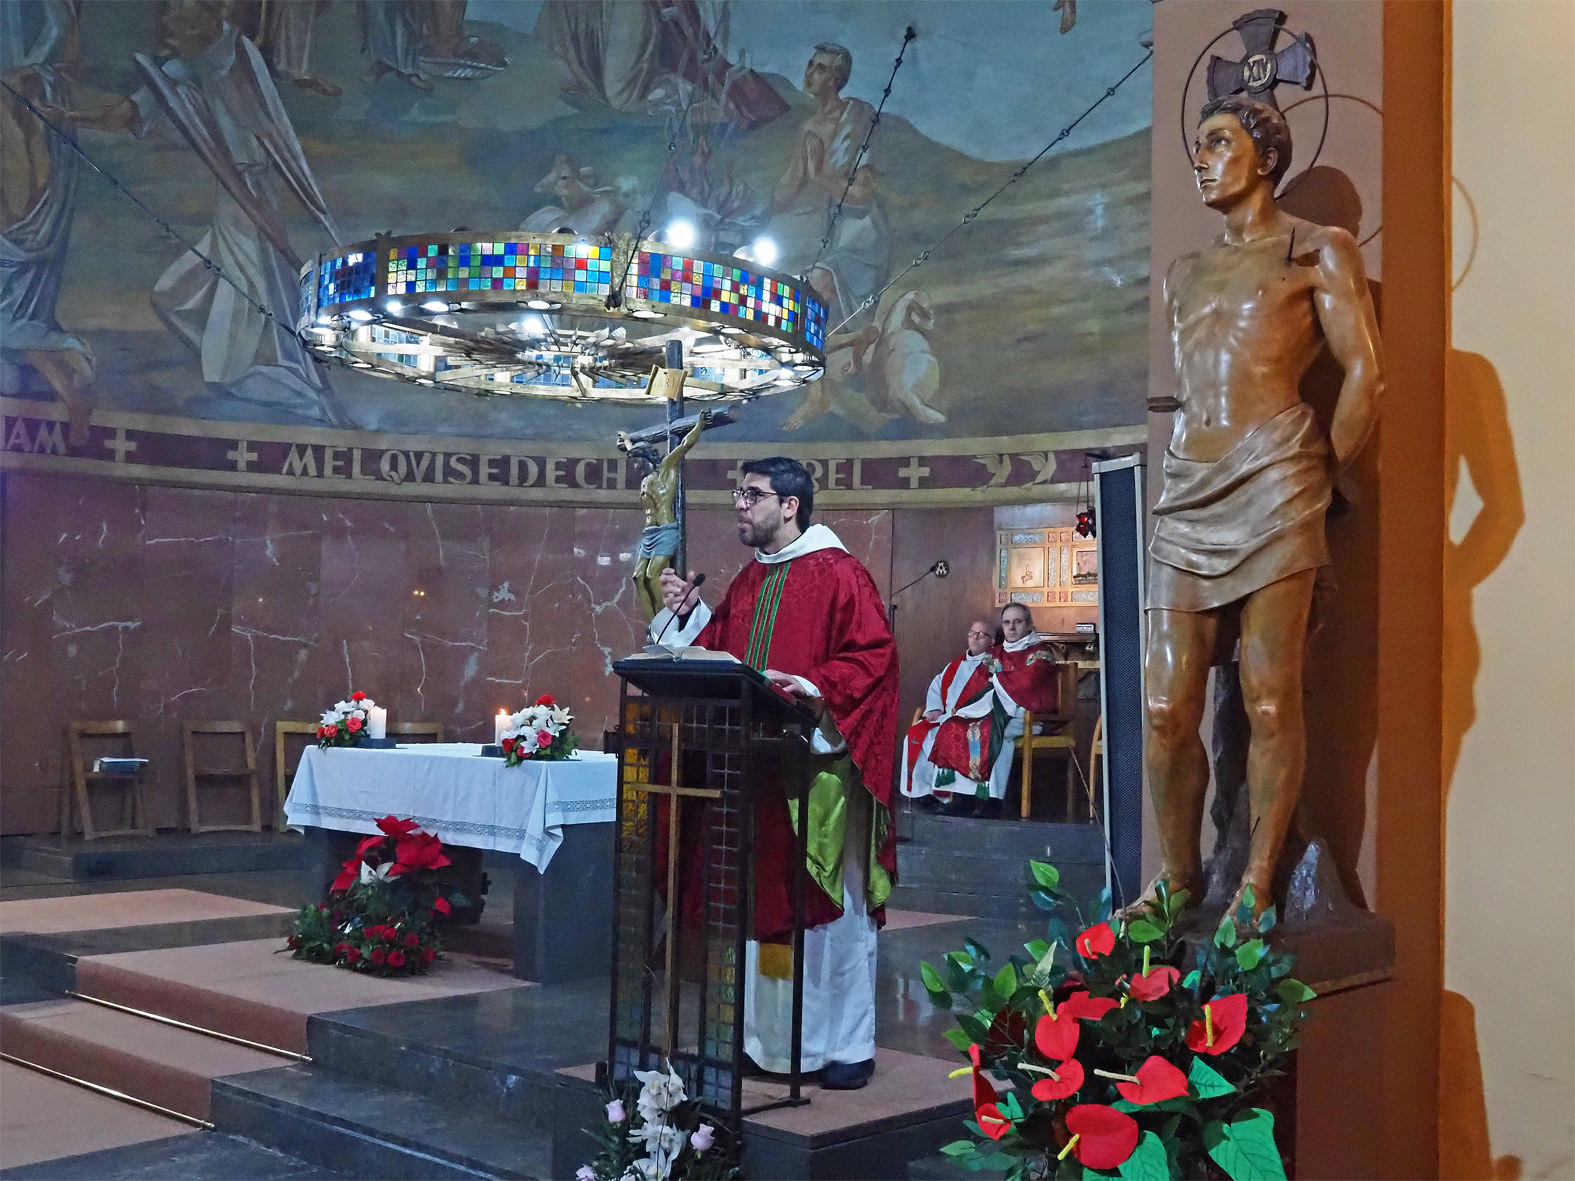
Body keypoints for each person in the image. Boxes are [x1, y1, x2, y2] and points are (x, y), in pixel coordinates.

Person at [1139, 96, 1382, 922]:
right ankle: (1176, 877)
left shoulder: (1318, 249)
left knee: (1270, 695)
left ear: (1266, 155)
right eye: (1197, 145)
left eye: (1217, 142)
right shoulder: (1182, 272)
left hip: (1278, 476)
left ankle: (1254, 882)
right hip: (1187, 488)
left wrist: (1324, 470)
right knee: (1165, 705)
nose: (1200, 159)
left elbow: (1362, 372)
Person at [652, 457, 898, 1090]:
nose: (739, 505)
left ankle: (843, 1046)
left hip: (818, 776)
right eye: (738, 493)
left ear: (791, 505)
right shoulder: (750, 580)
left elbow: (873, 659)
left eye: (751, 494)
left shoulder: (841, 574)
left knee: (829, 916)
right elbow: (727, 652)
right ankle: (765, 1042)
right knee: (763, 911)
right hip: (756, 772)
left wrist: (814, 688)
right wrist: (688, 616)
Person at [50, 1, 346, 425]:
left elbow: (257, 119)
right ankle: (256, 367)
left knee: (252, 299)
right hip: (233, 196)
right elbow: (128, 112)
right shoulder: (189, 63)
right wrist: (71, 117)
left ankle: (286, 389)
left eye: (181, 29)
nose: (172, 40)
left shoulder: (233, 54)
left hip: (250, 194)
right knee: (174, 297)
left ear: (206, 23)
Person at [0, 0, 94, 444]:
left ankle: (71, 374)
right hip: (30, 114)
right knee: (17, 319)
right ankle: (71, 386)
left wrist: (27, 81)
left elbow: (66, 51)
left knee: (15, 314)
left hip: (30, 112)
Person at [921, 603, 1065, 819]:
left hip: (1030, 716)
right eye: (1007, 623)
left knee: (988, 730)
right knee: (955, 725)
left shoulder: (1040, 652)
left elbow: (1028, 684)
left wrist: (997, 678)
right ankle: (962, 798)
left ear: (1029, 625)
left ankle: (991, 800)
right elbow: (978, 683)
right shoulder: (996, 653)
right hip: (997, 714)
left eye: (1018, 622)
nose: (1012, 627)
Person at [899, 618, 995, 811]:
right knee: (915, 735)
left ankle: (953, 797)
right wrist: (934, 708)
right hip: (945, 718)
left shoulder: (993, 665)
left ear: (992, 641)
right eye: (972, 633)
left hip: (972, 720)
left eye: (981, 634)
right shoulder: (955, 665)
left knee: (950, 737)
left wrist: (966, 715)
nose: (975, 637)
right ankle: (924, 792)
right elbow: (937, 685)